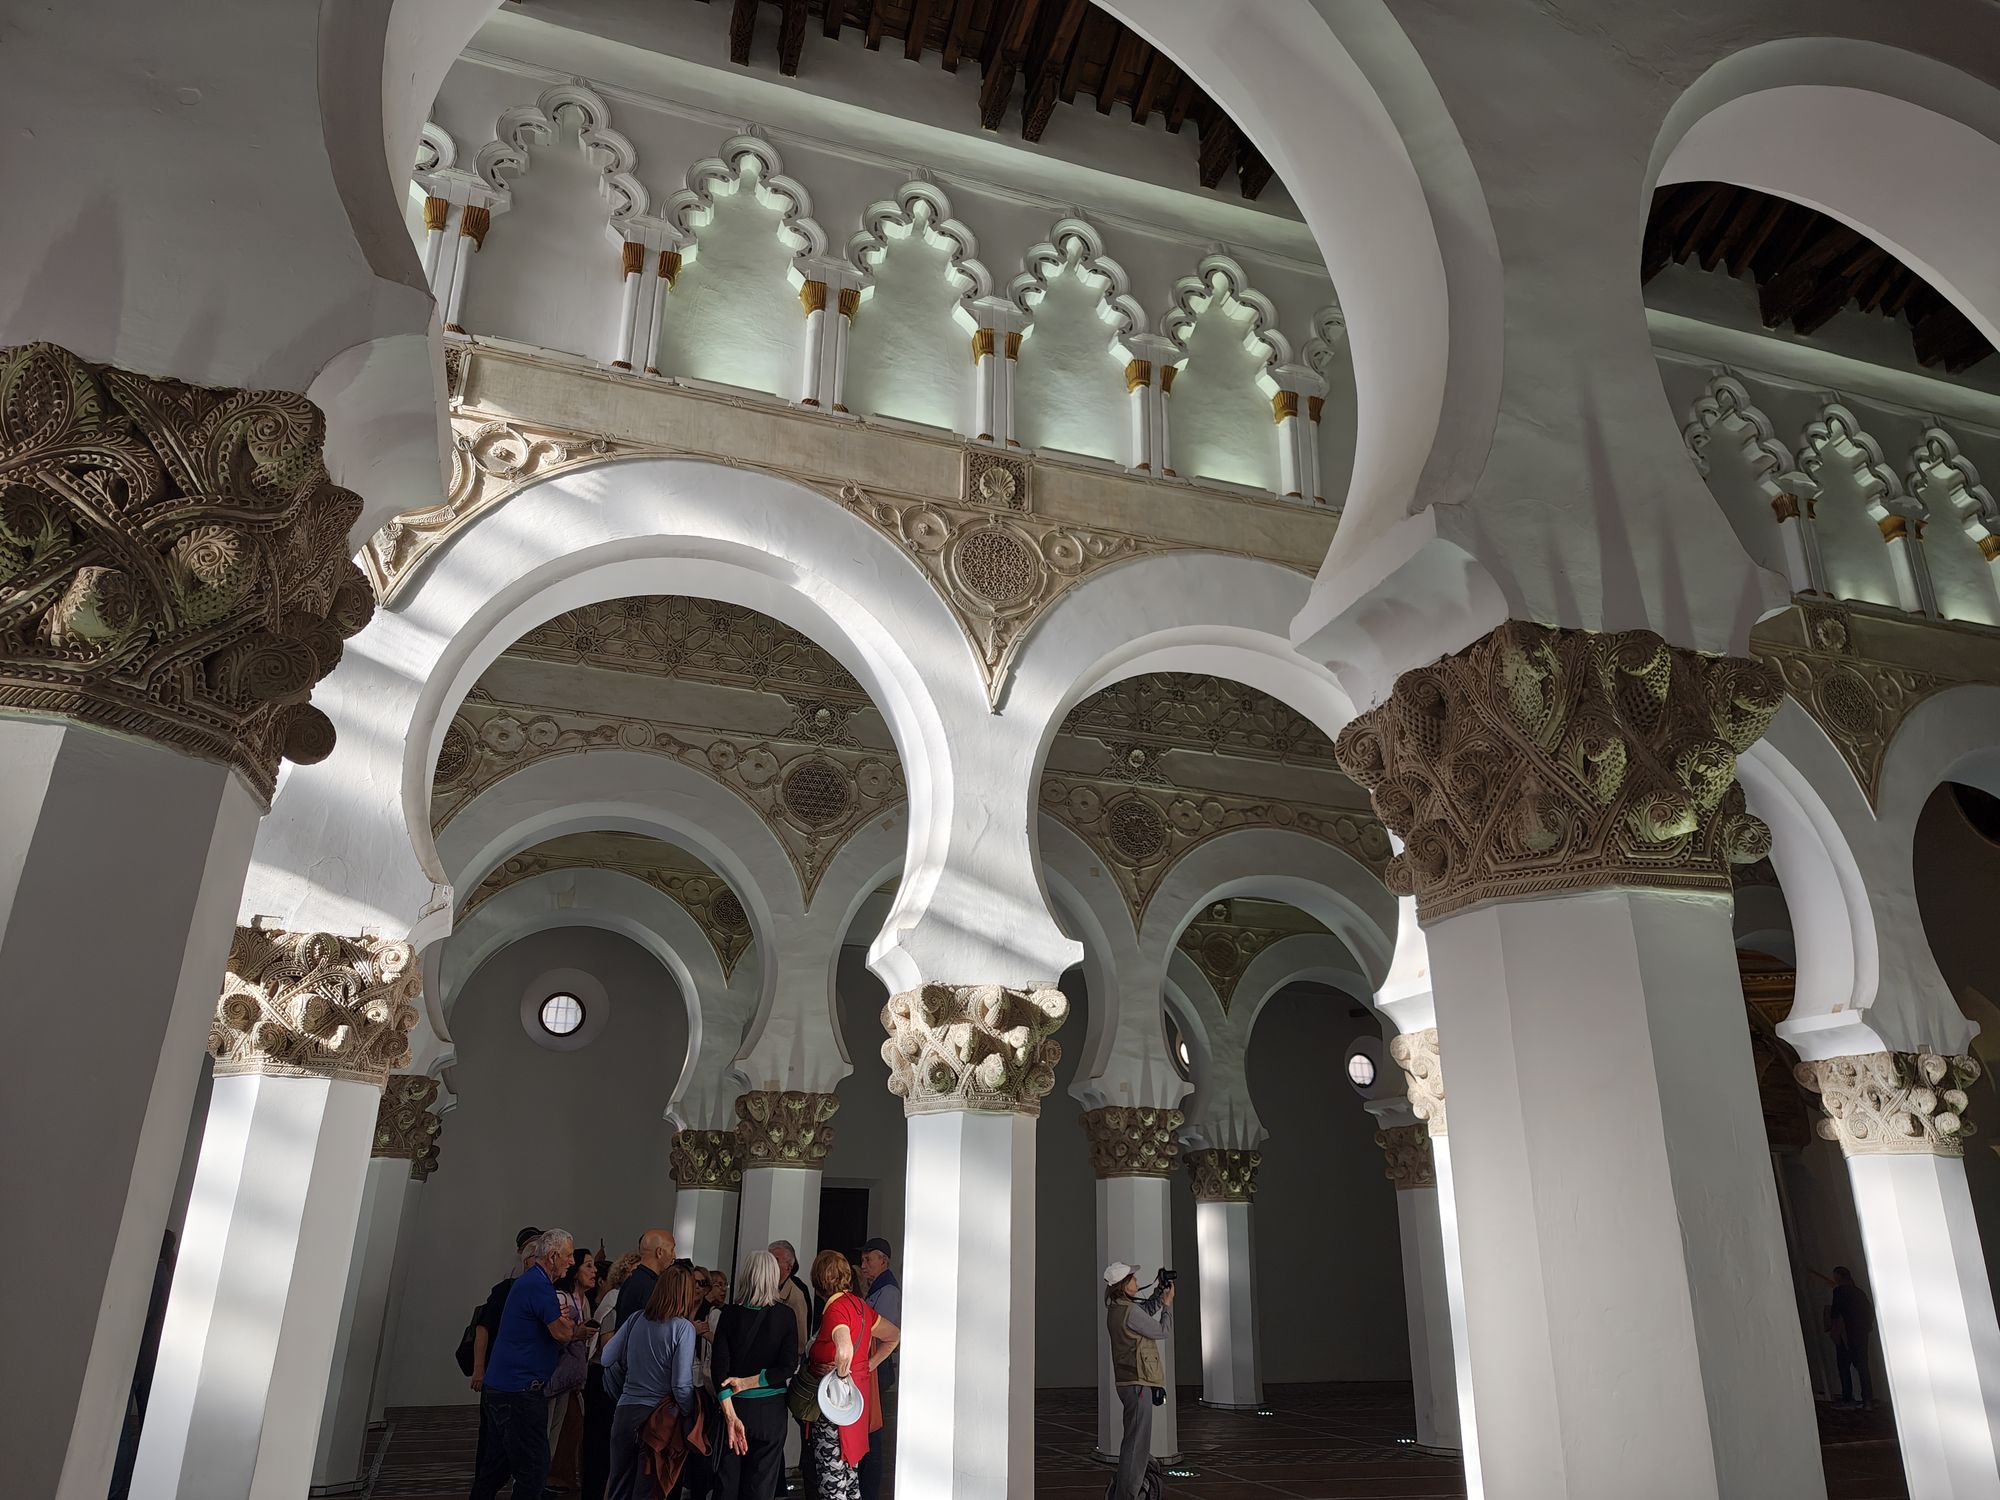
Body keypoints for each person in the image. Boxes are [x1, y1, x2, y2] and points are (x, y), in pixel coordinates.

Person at [469, 1229, 583, 1500]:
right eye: (567, 1256)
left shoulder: (533, 1283)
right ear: (553, 1256)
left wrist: (560, 1321)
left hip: (506, 1388)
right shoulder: (538, 1286)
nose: (571, 1262)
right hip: (519, 1392)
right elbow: (563, 1334)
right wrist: (565, 1324)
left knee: (498, 1466)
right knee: (534, 1467)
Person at [801, 1250, 899, 1500]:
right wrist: (868, 1364)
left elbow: (843, 1348)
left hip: (835, 1407)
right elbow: (893, 1335)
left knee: (833, 1483)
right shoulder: (860, 1305)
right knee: (850, 1479)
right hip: (855, 1405)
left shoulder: (836, 1309)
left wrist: (841, 1376)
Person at [601, 1263, 703, 1500]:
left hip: (625, 1412)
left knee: (617, 1486)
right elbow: (680, 1384)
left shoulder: (636, 1319)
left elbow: (606, 1357)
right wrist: (690, 1412)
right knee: (647, 1490)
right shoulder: (683, 1329)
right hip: (658, 1420)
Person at [713, 1251, 800, 1500]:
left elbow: (719, 1369)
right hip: (770, 1412)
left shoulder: (729, 1314)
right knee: (761, 1486)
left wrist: (730, 1415)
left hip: (734, 1407)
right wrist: (753, 1381)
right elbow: (787, 1366)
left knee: (726, 1486)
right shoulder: (785, 1316)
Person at [1104, 1261, 1173, 1500]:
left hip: (1128, 1382)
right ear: (1124, 1285)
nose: (1136, 1282)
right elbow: (1162, 1331)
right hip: (1138, 1382)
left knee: (1133, 1440)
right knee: (1137, 1444)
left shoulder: (1117, 1308)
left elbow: (1142, 1316)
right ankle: (1128, 1495)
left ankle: (1125, 1491)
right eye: (1133, 1278)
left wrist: (1157, 1295)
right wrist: (1167, 1306)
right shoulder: (1130, 1311)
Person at [583, 1253, 645, 1500]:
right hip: (603, 1377)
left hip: (615, 1376)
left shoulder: (623, 1298)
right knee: (600, 1443)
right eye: (633, 1272)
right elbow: (608, 1345)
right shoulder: (614, 1297)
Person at [548, 1249, 600, 1492]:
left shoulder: (586, 1302)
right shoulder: (562, 1297)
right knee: (551, 1431)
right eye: (588, 1266)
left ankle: (554, 1479)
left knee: (568, 1430)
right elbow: (554, 1336)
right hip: (556, 1375)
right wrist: (576, 1333)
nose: (594, 1271)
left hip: (573, 1379)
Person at [854, 1240, 900, 1500]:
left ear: (883, 1261)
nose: (863, 1265)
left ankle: (869, 1491)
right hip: (870, 1371)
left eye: (867, 1260)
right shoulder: (877, 1288)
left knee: (872, 1435)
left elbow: (883, 1333)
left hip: (875, 1371)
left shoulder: (888, 1291)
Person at [1825, 1265, 1877, 1408]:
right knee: (1862, 1366)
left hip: (1846, 1334)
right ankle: (1868, 1400)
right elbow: (1869, 1312)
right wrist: (1864, 1329)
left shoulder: (1839, 1292)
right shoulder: (1859, 1293)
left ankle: (1848, 1399)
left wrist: (1836, 1332)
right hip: (1860, 1334)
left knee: (1844, 1366)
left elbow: (1835, 1314)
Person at [622, 1228, 676, 1340]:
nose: (674, 1256)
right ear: (659, 1252)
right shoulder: (650, 1286)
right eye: (672, 1250)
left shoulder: (632, 1280)